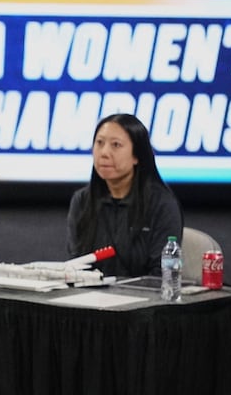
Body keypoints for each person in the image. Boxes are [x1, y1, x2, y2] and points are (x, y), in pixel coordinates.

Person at [62, 113, 183, 277]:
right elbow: (76, 265)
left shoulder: (161, 204)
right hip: (90, 291)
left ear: (137, 156)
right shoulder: (82, 201)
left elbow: (162, 274)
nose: (104, 153)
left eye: (116, 145)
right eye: (99, 143)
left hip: (144, 292)